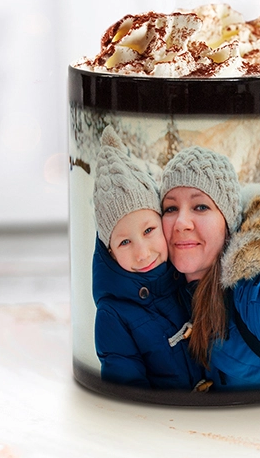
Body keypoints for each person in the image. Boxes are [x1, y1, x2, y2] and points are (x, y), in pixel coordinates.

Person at [160, 146, 260, 391]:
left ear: (228, 222)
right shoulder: (164, 289)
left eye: (200, 206)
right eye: (171, 208)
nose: (181, 223)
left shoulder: (252, 290)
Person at [91, 126, 205, 390]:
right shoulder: (113, 315)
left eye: (149, 230)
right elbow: (128, 392)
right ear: (110, 251)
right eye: (125, 242)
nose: (142, 253)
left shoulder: (184, 274)